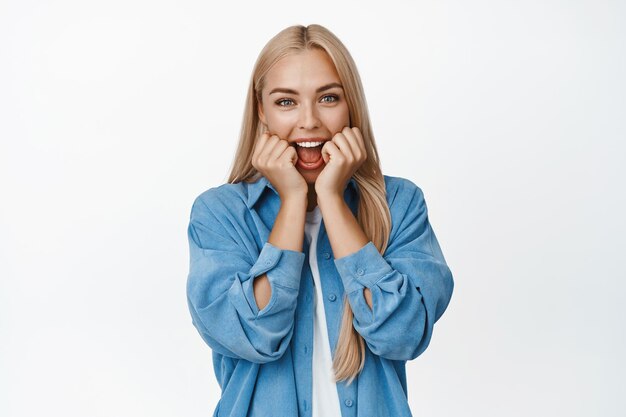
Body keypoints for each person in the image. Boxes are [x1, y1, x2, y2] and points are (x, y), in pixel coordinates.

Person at [186, 23, 454, 417]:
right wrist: (294, 199)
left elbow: (402, 334)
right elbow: (255, 334)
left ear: (351, 106)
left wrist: (331, 197)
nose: (309, 121)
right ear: (261, 110)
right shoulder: (220, 214)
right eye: (286, 102)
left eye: (328, 98)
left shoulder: (400, 204)